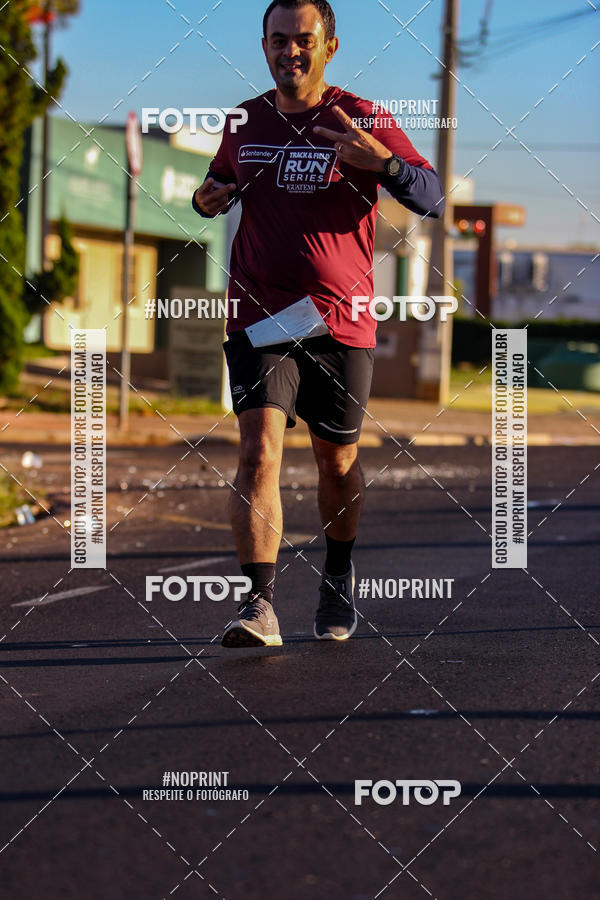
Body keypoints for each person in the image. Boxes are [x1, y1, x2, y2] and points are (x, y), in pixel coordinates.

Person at [192, 0, 444, 649]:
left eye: (303, 40)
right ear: (264, 46)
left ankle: (337, 576)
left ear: (330, 46)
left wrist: (384, 165)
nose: (290, 52)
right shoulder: (245, 121)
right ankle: (259, 605)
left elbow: (433, 196)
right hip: (260, 313)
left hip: (341, 322)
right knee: (258, 452)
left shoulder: (362, 118)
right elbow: (215, 184)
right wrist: (204, 199)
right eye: (278, 40)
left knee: (337, 463)